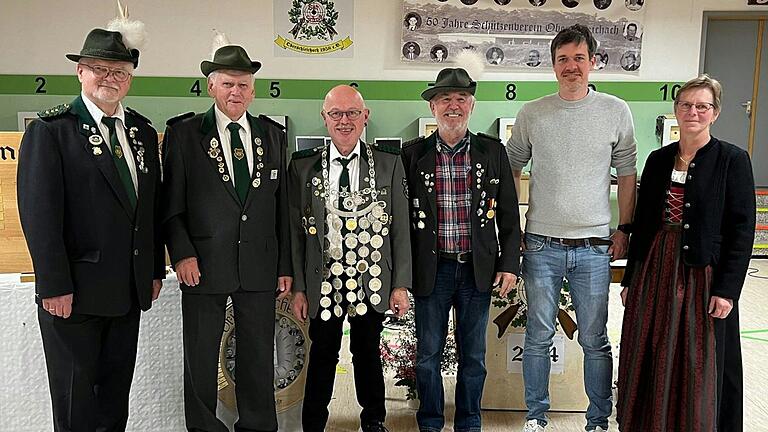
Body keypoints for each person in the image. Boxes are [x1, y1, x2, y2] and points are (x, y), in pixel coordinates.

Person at [17, 16, 165, 432]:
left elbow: (148, 210)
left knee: (114, 401)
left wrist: (152, 271)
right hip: (74, 295)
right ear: (80, 71)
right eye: (99, 68)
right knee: (75, 402)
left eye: (119, 71)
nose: (109, 78)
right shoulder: (52, 131)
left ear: (130, 79)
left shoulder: (140, 132)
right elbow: (39, 214)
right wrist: (53, 284)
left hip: (127, 292)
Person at [507, 24, 637, 432]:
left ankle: (598, 420)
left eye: (579, 58)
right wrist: (516, 227)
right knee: (538, 338)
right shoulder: (532, 113)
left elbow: (628, 173)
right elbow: (511, 166)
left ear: (593, 62)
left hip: (595, 247)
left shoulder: (616, 111)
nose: (571, 66)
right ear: (552, 65)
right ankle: (536, 418)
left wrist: (625, 228)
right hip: (542, 246)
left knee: (595, 340)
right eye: (563, 59)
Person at [162, 41, 292, 432]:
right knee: (201, 357)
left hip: (259, 265)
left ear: (253, 90)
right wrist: (182, 254)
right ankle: (203, 427)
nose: (236, 92)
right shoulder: (184, 134)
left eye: (243, 85)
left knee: (257, 356)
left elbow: (281, 207)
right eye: (228, 84)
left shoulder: (272, 135)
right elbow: (171, 206)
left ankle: (257, 425)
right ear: (211, 87)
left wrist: (284, 266)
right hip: (202, 265)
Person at [617, 75, 755, 432]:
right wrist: (631, 278)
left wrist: (727, 291)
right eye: (686, 105)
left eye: (702, 106)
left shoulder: (732, 160)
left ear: (715, 113)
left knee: (698, 353)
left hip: (700, 272)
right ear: (676, 110)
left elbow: (742, 230)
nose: (693, 112)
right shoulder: (659, 159)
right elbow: (644, 222)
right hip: (655, 266)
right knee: (649, 344)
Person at [402, 68, 521, 432]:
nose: (453, 106)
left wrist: (510, 264)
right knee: (427, 357)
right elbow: (400, 219)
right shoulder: (412, 156)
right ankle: (431, 423)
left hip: (476, 271)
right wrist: (401, 275)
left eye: (460, 100)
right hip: (431, 272)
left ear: (471, 105)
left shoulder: (492, 151)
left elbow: (509, 216)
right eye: (445, 100)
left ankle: (469, 423)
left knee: (474, 357)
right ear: (433, 107)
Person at [288, 85, 412, 432]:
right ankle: (313, 423)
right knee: (323, 353)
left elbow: (400, 228)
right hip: (322, 278)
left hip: (369, 275)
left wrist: (400, 283)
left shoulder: (388, 163)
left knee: (367, 352)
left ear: (365, 117)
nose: (344, 121)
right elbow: (294, 233)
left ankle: (373, 420)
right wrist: (299, 286)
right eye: (336, 114)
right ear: (324, 118)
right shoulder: (303, 167)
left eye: (352, 113)